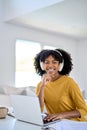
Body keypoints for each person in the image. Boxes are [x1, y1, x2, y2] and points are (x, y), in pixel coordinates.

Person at [34, 48, 87, 122]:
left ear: (60, 65)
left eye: (54, 62)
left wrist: (61, 115)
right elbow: (38, 109)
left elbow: (83, 110)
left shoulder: (69, 82)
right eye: (47, 62)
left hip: (73, 123)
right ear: (42, 65)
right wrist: (43, 86)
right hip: (54, 122)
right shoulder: (40, 85)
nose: (50, 65)